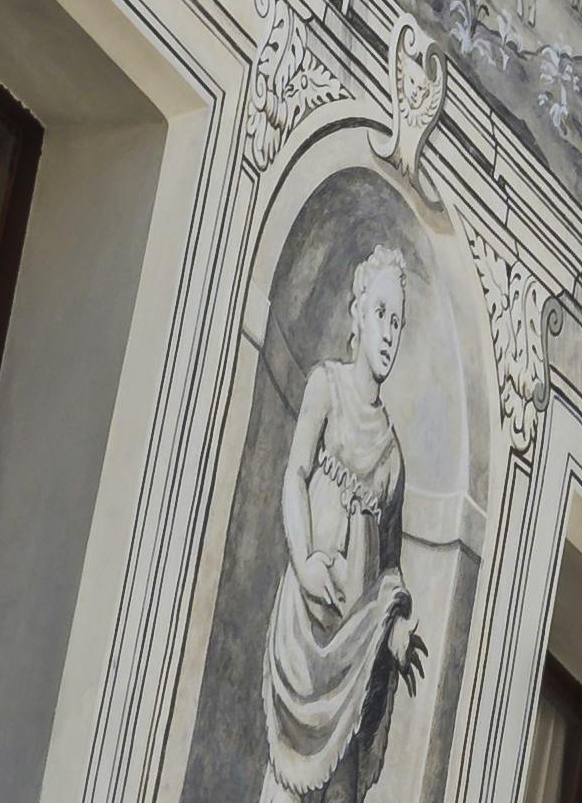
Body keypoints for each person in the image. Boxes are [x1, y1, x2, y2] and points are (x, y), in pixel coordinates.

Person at [253, 241, 431, 803]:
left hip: (354, 652)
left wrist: (397, 630)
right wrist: (305, 560)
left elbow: (390, 567)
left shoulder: (394, 455)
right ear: (357, 314)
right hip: (306, 626)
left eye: (397, 322)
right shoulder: (326, 386)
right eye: (380, 314)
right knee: (284, 785)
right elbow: (294, 475)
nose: (388, 333)